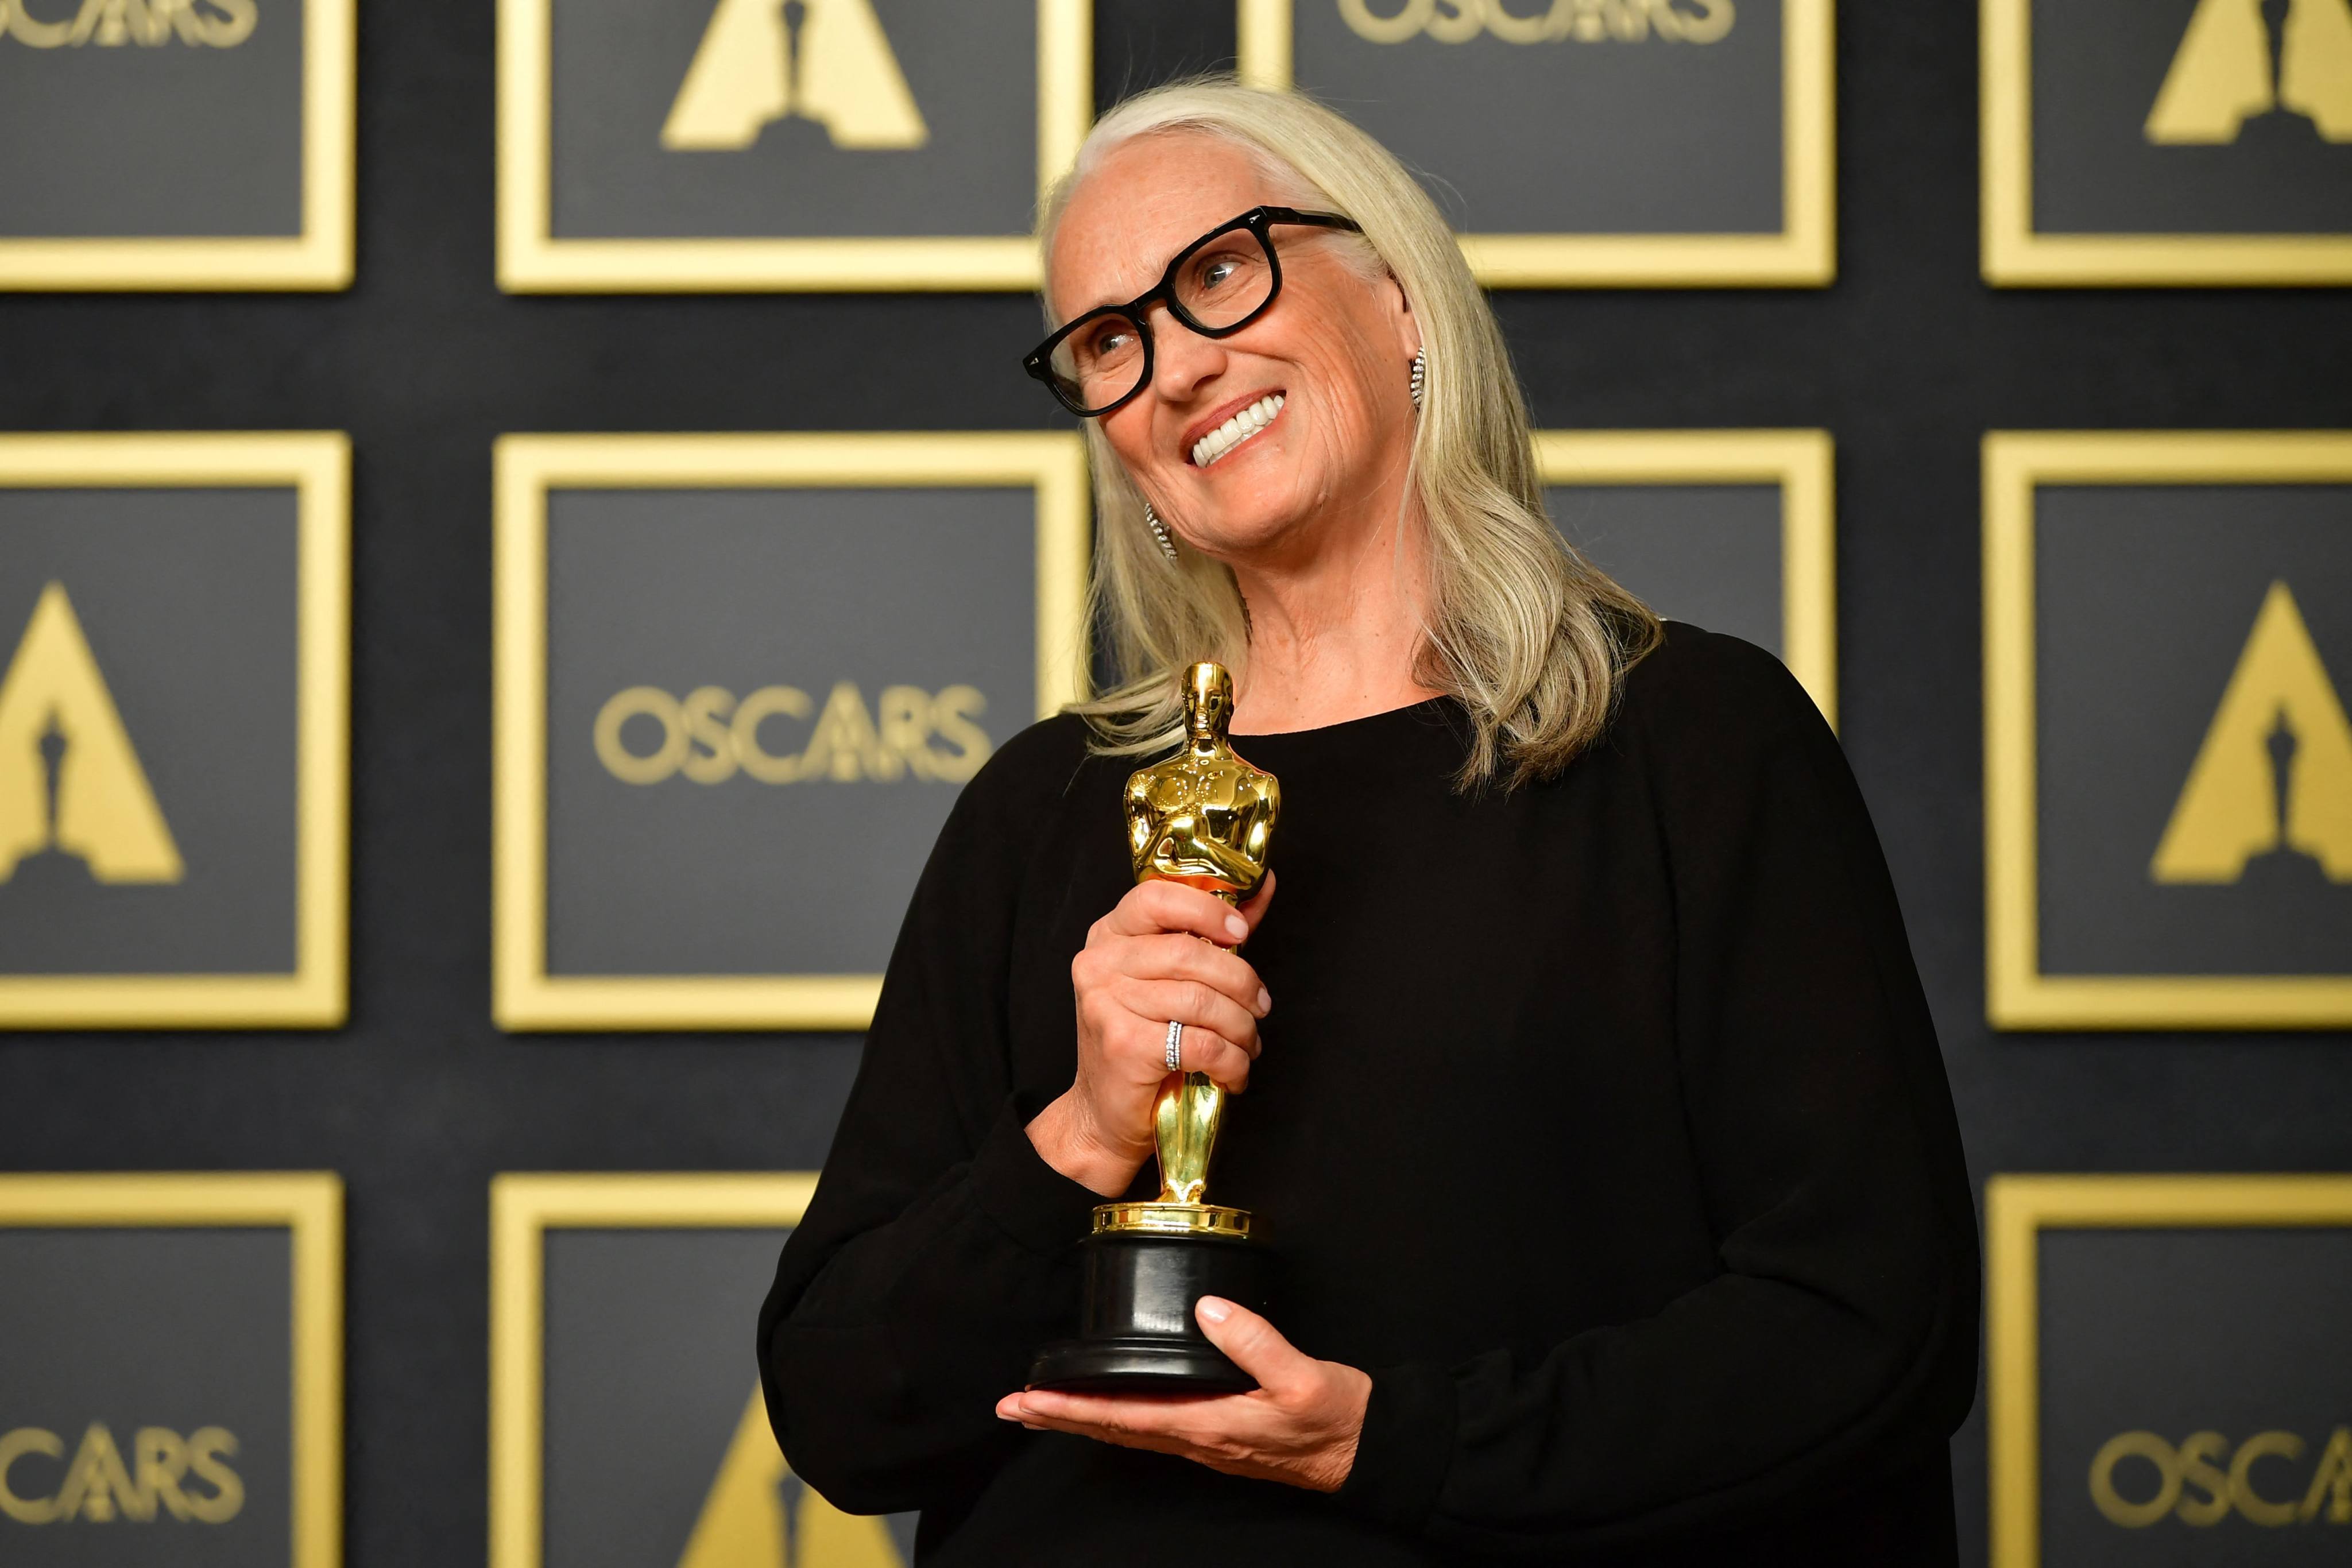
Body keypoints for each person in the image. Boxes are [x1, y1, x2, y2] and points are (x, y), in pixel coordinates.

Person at [758, 79, 1978, 1566]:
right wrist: (1079, 1137)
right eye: (1109, 341)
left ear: (1401, 297)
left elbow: (1867, 1329)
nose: (1177, 367)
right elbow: (839, 1406)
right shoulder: (1043, 811)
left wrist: (1392, 1444)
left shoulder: (1691, 746)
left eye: (1218, 270)